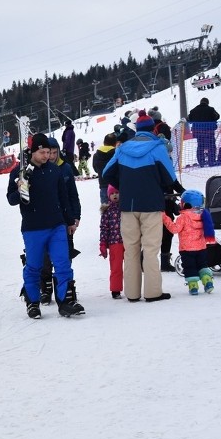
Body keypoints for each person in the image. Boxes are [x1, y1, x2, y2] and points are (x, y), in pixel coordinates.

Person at [102, 110, 177, 302]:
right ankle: (153, 292)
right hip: (151, 205)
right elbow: (170, 178)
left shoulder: (122, 148)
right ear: (153, 129)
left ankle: (132, 293)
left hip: (128, 207)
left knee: (131, 249)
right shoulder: (157, 148)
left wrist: (125, 186)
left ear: (136, 130)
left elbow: (106, 173)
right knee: (151, 249)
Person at [6, 133, 83, 319]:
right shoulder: (21, 172)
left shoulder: (55, 171)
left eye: (48, 152)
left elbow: (63, 197)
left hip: (56, 225)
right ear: (33, 152)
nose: (46, 156)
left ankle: (66, 301)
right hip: (33, 227)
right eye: (42, 152)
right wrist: (22, 187)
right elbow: (13, 200)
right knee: (33, 266)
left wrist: (70, 220)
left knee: (63, 263)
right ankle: (32, 302)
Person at [36, 138, 81, 305]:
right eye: (49, 153)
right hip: (45, 220)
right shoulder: (39, 169)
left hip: (65, 218)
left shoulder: (65, 168)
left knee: (65, 256)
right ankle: (45, 288)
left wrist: (76, 216)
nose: (52, 156)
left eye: (55, 153)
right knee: (45, 257)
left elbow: (72, 195)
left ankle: (67, 288)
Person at [161, 190, 216, 296]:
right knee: (202, 265)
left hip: (187, 250)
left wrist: (165, 218)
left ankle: (194, 287)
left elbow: (174, 229)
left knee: (190, 267)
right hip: (201, 248)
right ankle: (208, 282)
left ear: (185, 204)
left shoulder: (183, 217)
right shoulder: (203, 216)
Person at [99, 184, 124, 299]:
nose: (115, 195)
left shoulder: (125, 208)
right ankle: (115, 289)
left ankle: (131, 287)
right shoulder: (107, 211)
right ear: (108, 195)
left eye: (117, 193)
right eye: (112, 193)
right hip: (115, 243)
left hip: (128, 241)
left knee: (130, 266)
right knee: (116, 267)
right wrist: (103, 244)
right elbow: (104, 228)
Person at [188, 98, 220, 168]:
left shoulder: (193, 110)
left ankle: (201, 162)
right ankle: (211, 161)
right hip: (209, 131)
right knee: (211, 146)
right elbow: (217, 116)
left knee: (200, 146)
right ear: (207, 103)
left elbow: (189, 119)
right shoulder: (211, 109)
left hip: (198, 132)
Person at [92, 133, 117, 207]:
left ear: (104, 142)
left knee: (105, 210)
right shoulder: (116, 153)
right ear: (115, 143)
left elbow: (95, 169)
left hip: (103, 185)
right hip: (116, 186)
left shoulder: (96, 155)